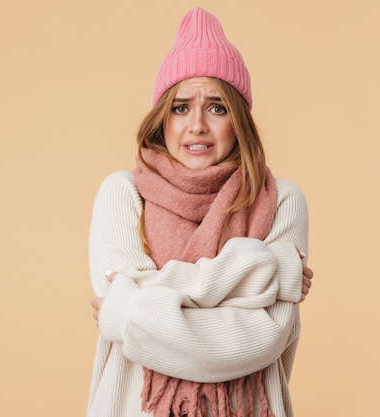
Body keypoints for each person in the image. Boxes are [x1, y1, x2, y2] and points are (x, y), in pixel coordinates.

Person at [87, 7, 313, 417]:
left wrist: (136, 304)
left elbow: (262, 339)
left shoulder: (281, 200)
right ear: (162, 120)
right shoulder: (122, 193)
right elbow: (219, 339)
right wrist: (263, 266)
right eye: (180, 107)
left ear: (238, 120)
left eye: (217, 107)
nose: (197, 126)